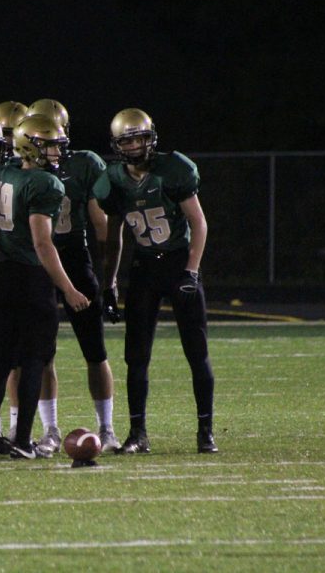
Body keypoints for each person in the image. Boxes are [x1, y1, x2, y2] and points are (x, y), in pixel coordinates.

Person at [94, 107, 218, 454]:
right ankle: (137, 434)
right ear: (117, 144)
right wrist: (110, 282)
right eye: (128, 140)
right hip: (145, 266)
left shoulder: (173, 169)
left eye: (141, 138)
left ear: (152, 139)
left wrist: (192, 271)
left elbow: (199, 223)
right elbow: (115, 236)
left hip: (178, 263)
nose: (135, 146)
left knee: (197, 352)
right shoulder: (113, 180)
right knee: (136, 356)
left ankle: (205, 431)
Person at [0, 114, 90, 459]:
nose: (57, 151)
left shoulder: (4, 172)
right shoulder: (46, 184)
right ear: (31, 146)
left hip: (0, 275)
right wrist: (69, 289)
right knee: (32, 361)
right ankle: (23, 441)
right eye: (50, 145)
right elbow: (43, 243)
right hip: (30, 277)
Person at [19, 99, 121, 454]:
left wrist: (109, 278)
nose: (56, 148)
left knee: (95, 350)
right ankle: (50, 429)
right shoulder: (19, 169)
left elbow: (102, 226)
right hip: (38, 262)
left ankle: (106, 428)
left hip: (74, 258)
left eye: (58, 140)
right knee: (43, 353)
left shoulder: (84, 164)